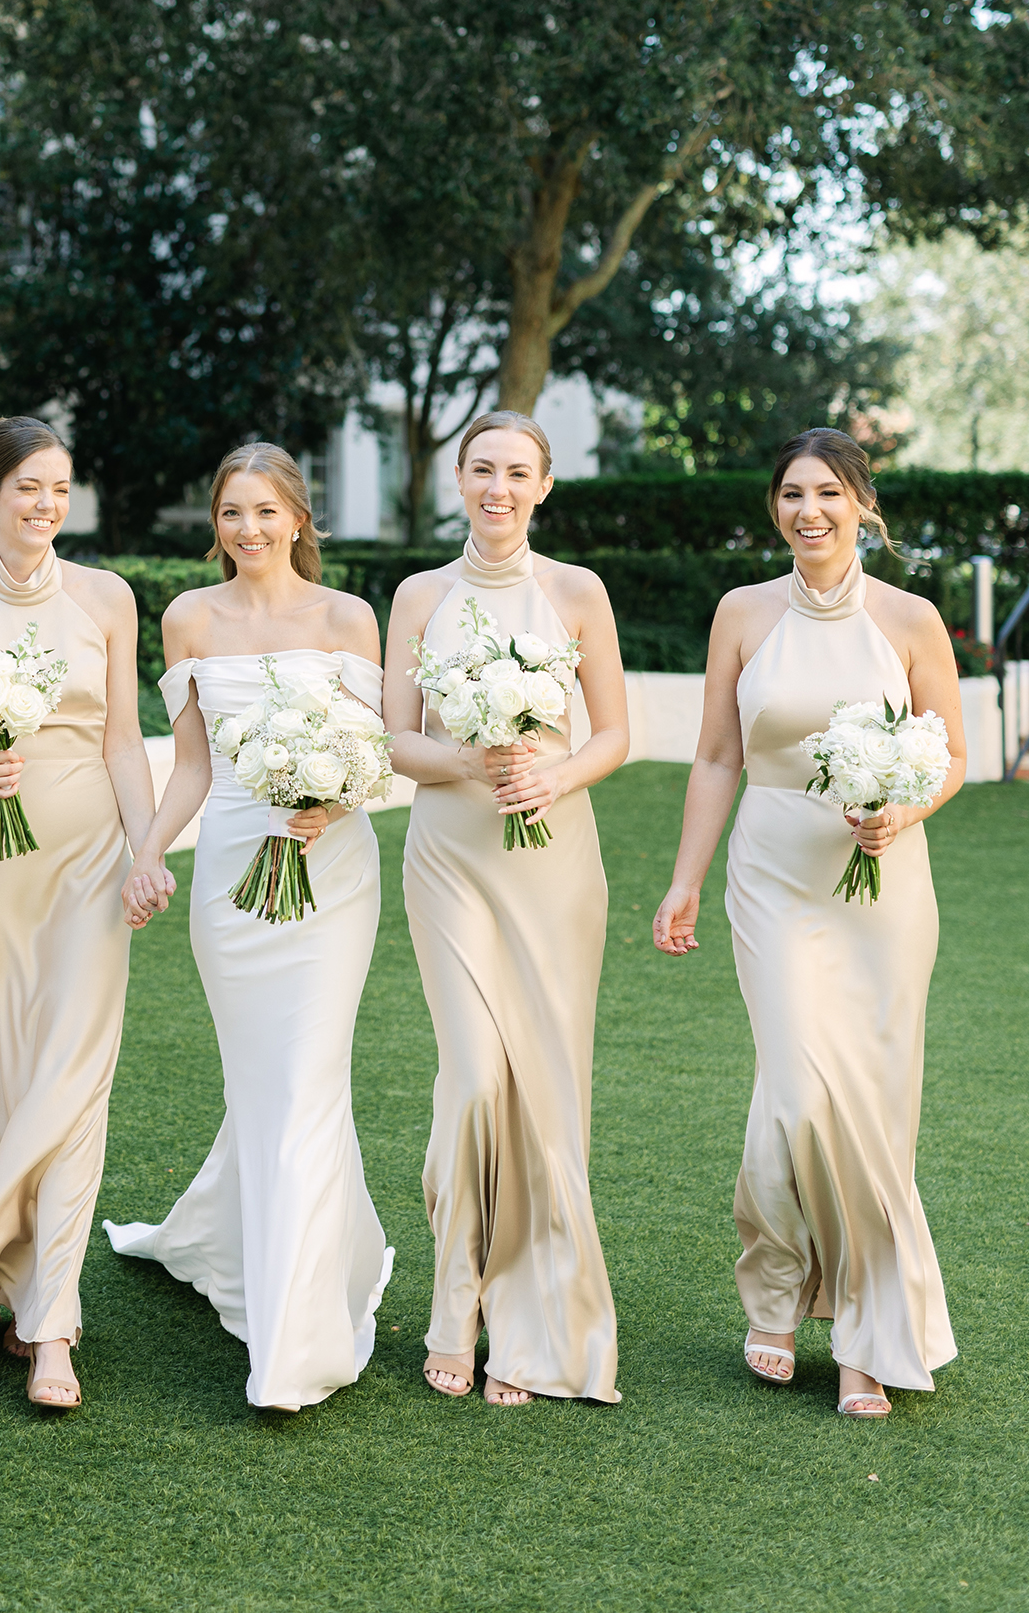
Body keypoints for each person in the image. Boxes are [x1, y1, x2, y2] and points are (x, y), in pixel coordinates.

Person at [652, 428, 965, 1418]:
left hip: (883, 879)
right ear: (774, 508)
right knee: (795, 1093)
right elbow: (714, 758)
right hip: (772, 874)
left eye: (828, 492)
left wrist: (900, 810)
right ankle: (778, 1290)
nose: (808, 511)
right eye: (792, 493)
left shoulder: (910, 620)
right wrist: (684, 881)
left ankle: (868, 1334)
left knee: (873, 1105)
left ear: (861, 506)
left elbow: (950, 752)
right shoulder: (741, 613)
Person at [107, 442, 393, 1412]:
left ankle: (293, 1343)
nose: (249, 530)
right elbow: (191, 764)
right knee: (263, 1083)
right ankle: (245, 1246)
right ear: (214, 525)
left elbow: (376, 755)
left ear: (300, 520)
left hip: (333, 867)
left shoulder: (347, 618)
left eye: (266, 512)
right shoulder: (188, 617)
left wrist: (334, 801)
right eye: (231, 513)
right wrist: (148, 851)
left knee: (308, 1079)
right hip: (232, 866)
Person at [384, 411, 628, 1408]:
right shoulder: (417, 595)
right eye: (481, 469)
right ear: (457, 478)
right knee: (476, 1079)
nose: (497, 488)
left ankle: (531, 1321)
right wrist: (471, 759)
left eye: (515, 472)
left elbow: (613, 733)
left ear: (544, 485)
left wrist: (554, 774)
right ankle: (456, 1302)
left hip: (554, 862)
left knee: (548, 1095)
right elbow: (395, 740)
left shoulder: (577, 592)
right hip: (449, 855)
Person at [0, 416, 156, 1411]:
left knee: (73, 1075)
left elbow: (123, 741)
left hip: (90, 858)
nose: (45, 506)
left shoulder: (106, 598)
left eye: (59, 489)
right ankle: (11, 1281)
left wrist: (147, 847)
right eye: (26, 488)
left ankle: (52, 1322)